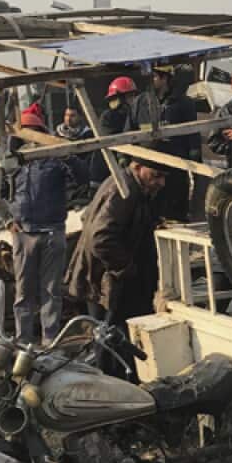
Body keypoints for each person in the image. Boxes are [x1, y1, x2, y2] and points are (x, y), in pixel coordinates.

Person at [65, 155, 168, 377]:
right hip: (108, 281)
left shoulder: (128, 186)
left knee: (109, 336)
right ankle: (115, 387)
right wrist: (126, 268)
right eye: (156, 175)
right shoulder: (124, 192)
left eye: (163, 177)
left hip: (106, 278)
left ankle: (117, 381)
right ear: (138, 167)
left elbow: (89, 219)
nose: (161, 183)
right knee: (111, 338)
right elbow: (101, 237)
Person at [8, 106, 77, 347]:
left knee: (50, 291)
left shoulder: (55, 160)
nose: (29, 140)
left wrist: (68, 153)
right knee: (23, 293)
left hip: (51, 232)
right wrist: (7, 219)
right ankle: (23, 341)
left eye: (33, 133)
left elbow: (82, 177)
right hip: (23, 233)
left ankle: (50, 342)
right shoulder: (15, 163)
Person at [149, 66, 199, 222]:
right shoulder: (146, 102)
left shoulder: (183, 103)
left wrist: (194, 161)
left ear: (165, 78)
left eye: (155, 77)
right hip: (153, 164)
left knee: (176, 210)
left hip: (177, 165)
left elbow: (192, 133)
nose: (152, 80)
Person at [92, 76, 140, 186]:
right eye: (129, 96)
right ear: (119, 99)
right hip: (104, 175)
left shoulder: (132, 116)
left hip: (121, 172)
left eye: (133, 96)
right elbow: (116, 141)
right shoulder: (108, 117)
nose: (133, 100)